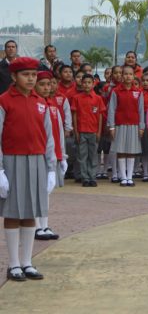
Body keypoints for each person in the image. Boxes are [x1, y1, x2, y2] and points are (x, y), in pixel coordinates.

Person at [0, 57, 57, 281]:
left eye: (34, 74)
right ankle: (13, 264)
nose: (32, 79)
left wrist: (51, 168)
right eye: (26, 74)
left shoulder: (41, 102)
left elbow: (48, 137)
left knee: (31, 211)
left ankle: (27, 262)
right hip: (12, 161)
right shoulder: (4, 101)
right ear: (14, 77)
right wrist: (0, 170)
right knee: (13, 212)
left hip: (37, 161)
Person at [34, 70, 66, 241]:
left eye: (50, 84)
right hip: (37, 153)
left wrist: (62, 155)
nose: (47, 88)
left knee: (46, 192)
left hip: (51, 153)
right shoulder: (35, 104)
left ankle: (44, 224)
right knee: (36, 192)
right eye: (43, 84)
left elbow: (58, 132)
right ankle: (36, 226)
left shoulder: (52, 105)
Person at [108, 65, 145, 187]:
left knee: (131, 150)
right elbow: (112, 109)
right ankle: (123, 177)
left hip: (134, 124)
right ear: (122, 76)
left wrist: (141, 126)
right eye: (125, 74)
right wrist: (111, 126)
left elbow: (141, 110)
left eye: (130, 74)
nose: (128, 76)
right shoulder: (116, 91)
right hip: (120, 124)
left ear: (134, 76)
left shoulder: (138, 92)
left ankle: (130, 177)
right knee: (121, 150)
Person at [72, 74, 106, 187]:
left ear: (93, 84)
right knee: (82, 156)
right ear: (81, 83)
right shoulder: (77, 98)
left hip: (93, 131)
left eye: (89, 82)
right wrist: (76, 132)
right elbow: (75, 115)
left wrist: (99, 132)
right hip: (81, 131)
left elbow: (100, 116)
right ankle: (85, 178)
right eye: (84, 82)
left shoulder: (98, 98)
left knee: (93, 155)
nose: (86, 85)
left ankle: (92, 177)